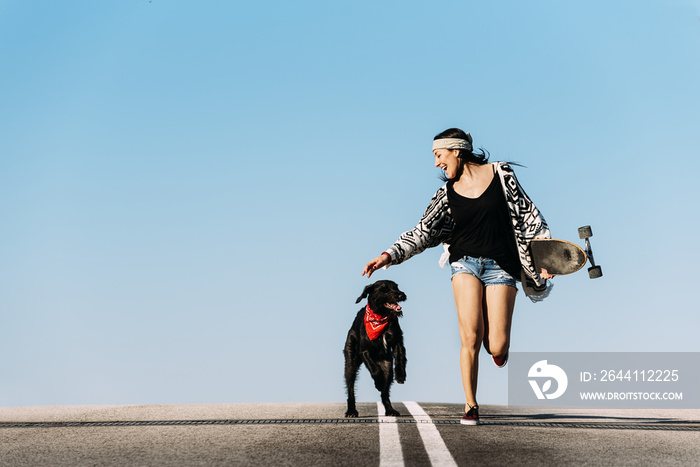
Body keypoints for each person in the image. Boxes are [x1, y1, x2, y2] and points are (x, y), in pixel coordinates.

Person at [361, 128, 553, 425]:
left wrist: (544, 256)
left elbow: (529, 215)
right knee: (469, 337)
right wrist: (389, 255)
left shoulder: (502, 175)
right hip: (464, 264)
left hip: (501, 266)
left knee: (498, 345)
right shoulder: (446, 195)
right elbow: (422, 232)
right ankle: (471, 404)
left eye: (439, 155)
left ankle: (496, 345)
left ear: (456, 150)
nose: (437, 163)